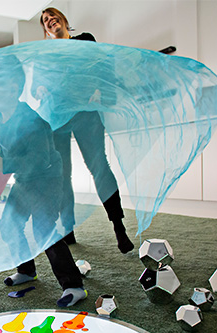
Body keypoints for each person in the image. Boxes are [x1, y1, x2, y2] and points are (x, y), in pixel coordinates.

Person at [0, 55, 87, 308]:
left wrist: (4, 164)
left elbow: (40, 159)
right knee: (8, 224)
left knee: (43, 230)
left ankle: (73, 285)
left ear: (12, 88)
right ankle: (26, 270)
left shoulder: (34, 122)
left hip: (47, 180)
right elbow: (7, 153)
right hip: (24, 180)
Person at [38, 7, 134, 254]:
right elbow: (37, 84)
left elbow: (103, 67)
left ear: (63, 20)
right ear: (46, 30)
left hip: (85, 113)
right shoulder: (46, 54)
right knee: (62, 175)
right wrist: (39, 89)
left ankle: (119, 226)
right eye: (46, 20)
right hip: (57, 118)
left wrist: (101, 90)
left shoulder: (85, 40)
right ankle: (67, 228)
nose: (50, 20)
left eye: (53, 16)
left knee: (99, 166)